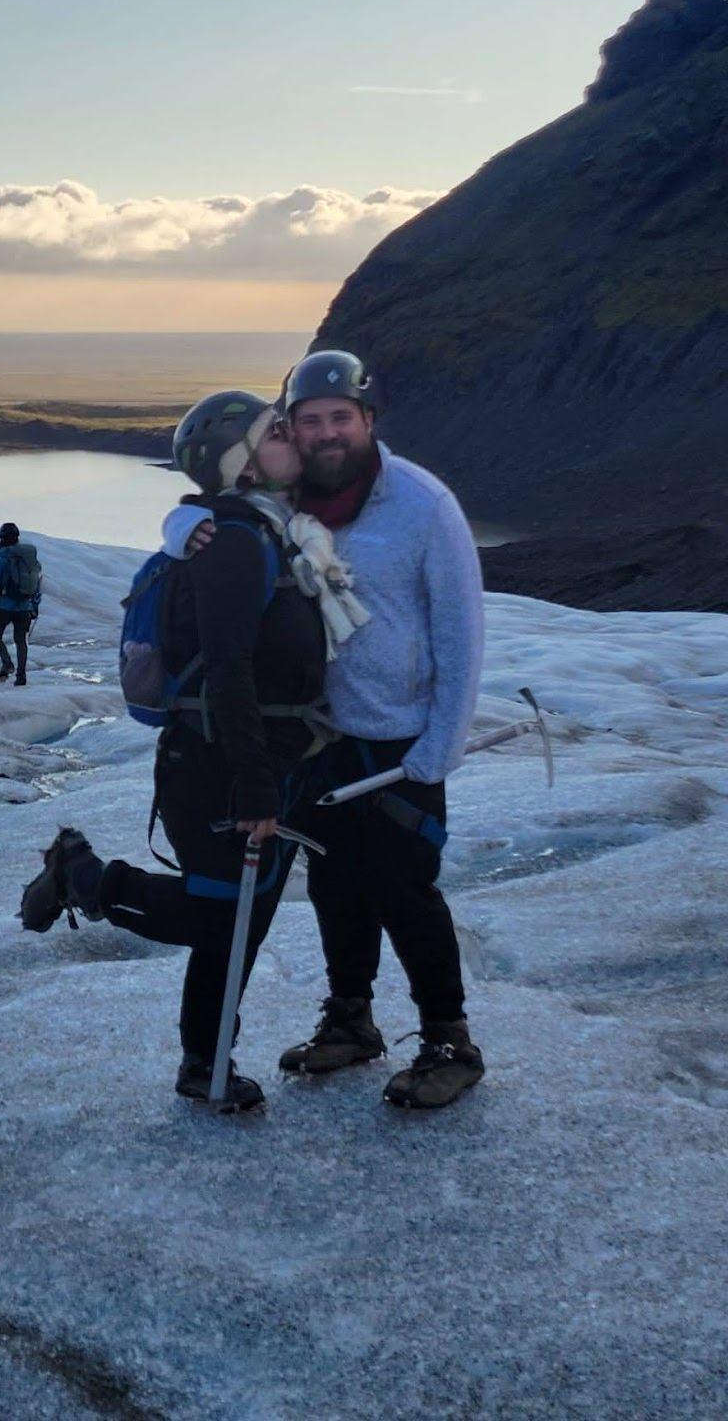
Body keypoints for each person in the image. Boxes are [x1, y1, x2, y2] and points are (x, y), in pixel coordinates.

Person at [163, 350, 486, 1109]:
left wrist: (439, 750)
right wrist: (183, 526)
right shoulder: (294, 495)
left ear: (369, 420)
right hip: (319, 739)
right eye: (309, 421)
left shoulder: (422, 505)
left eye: (341, 417)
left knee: (406, 890)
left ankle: (449, 1040)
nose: (326, 433)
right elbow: (220, 505)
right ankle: (351, 1019)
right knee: (337, 886)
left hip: (402, 741)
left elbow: (461, 631)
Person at [16, 391, 331, 1110]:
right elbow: (228, 667)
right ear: (242, 465)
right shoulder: (235, 544)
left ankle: (204, 1062)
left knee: (242, 924)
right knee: (220, 916)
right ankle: (82, 878)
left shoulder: (270, 529)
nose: (289, 437)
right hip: (218, 767)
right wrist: (253, 781)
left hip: (266, 761)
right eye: (273, 432)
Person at [0, 522, 42, 686]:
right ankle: (21, 677)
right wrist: (34, 607)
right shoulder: (29, 559)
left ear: (1, 539)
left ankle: (7, 663)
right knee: (21, 641)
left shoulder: (1, 559)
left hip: (3, 606)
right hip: (24, 606)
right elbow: (37, 583)